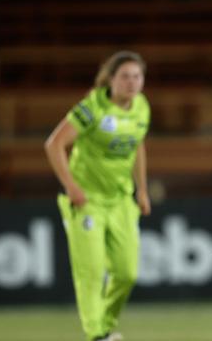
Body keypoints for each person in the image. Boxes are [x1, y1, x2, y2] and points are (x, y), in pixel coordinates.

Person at [44, 51, 151, 341]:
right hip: (86, 201)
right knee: (91, 272)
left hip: (120, 201)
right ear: (111, 79)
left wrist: (141, 189)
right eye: (125, 76)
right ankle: (97, 335)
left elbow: (137, 146)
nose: (132, 82)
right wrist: (72, 187)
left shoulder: (141, 107)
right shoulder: (92, 108)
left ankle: (104, 325)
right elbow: (54, 145)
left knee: (126, 273)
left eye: (137, 76)